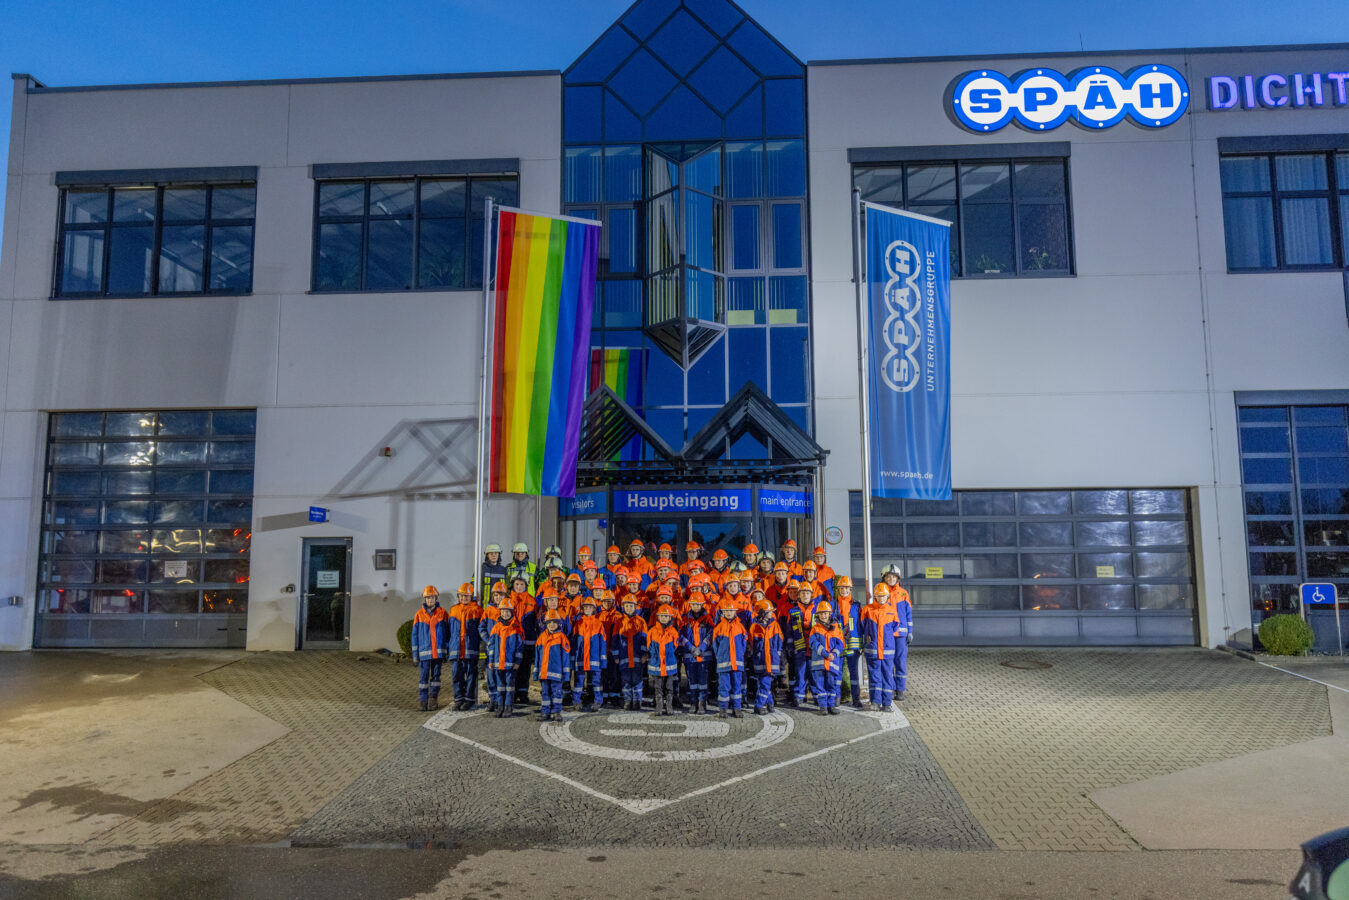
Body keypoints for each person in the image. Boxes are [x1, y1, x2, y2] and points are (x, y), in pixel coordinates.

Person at [410, 585, 450, 711]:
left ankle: (433, 698)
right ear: (425, 599)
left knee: (436, 677)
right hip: (424, 653)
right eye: (428, 598)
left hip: (438, 652)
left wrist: (447, 650)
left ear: (436, 598)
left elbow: (448, 633)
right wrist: (415, 654)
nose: (430, 600)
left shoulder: (443, 613)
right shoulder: (419, 614)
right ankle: (423, 700)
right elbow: (414, 636)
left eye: (432, 597)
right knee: (424, 677)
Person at [862, 582, 900, 711]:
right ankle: (875, 702)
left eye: (883, 595)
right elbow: (862, 625)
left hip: (887, 651)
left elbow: (895, 627)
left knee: (887, 677)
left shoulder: (892, 610)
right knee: (874, 677)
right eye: (879, 595)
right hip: (873, 650)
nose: (881, 598)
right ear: (875, 596)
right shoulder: (867, 609)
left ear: (887, 596)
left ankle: (887, 703)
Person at [484, 600, 524, 718]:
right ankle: (500, 707)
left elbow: (519, 647)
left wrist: (517, 662)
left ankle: (508, 707)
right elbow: (491, 646)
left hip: (510, 664)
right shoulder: (496, 627)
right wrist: (491, 660)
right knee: (500, 687)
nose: (505, 614)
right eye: (503, 611)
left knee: (509, 687)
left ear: (512, 612)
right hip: (497, 664)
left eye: (507, 612)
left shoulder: (516, 628)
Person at [447, 582, 483, 711]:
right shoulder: (453, 610)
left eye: (466, 596)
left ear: (471, 596)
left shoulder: (477, 610)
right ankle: (458, 699)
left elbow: (481, 630)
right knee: (456, 675)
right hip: (456, 649)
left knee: (471, 676)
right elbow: (449, 630)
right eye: (461, 595)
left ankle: (469, 699)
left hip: (470, 649)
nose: (463, 598)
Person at [534, 611, 572, 722]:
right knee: (545, 693)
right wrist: (536, 673)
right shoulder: (541, 637)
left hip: (557, 673)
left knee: (557, 693)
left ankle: (556, 712)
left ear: (559, 624)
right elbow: (537, 656)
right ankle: (545, 712)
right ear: (546, 624)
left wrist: (566, 675)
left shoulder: (562, 638)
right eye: (549, 622)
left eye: (554, 622)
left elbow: (565, 658)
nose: (551, 625)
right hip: (544, 673)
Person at [612, 596, 649, 710]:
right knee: (626, 680)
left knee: (637, 680)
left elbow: (644, 640)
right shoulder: (619, 622)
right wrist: (616, 655)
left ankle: (637, 701)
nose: (629, 608)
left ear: (635, 607)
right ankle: (628, 700)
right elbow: (615, 640)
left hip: (637, 658)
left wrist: (644, 654)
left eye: (631, 606)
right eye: (627, 606)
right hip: (624, 657)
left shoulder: (641, 621)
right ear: (623, 607)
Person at [712, 602, 748, 718]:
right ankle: (723, 709)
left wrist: (740, 655)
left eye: (731, 610)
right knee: (724, 687)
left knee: (737, 686)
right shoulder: (719, 627)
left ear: (735, 612)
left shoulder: (740, 627)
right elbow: (715, 645)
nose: (729, 613)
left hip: (737, 664)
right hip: (724, 663)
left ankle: (736, 708)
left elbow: (744, 644)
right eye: (726, 610)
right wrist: (720, 657)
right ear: (722, 612)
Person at [681, 593, 714, 715]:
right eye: (693, 604)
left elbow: (711, 634)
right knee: (692, 681)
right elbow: (681, 636)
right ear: (690, 605)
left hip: (704, 657)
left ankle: (702, 702)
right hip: (690, 657)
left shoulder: (708, 619)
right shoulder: (685, 620)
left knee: (703, 681)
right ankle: (693, 702)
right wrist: (690, 648)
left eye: (698, 604)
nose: (696, 606)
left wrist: (702, 648)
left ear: (702, 604)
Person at [573, 594, 607, 712]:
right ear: (582, 608)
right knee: (578, 680)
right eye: (585, 607)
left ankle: (598, 700)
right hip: (581, 658)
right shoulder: (578, 623)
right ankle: (576, 701)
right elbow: (574, 642)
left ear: (594, 609)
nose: (587, 609)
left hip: (594, 658)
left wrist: (603, 660)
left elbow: (603, 643)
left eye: (590, 607)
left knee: (597, 681)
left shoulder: (598, 624)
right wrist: (573, 659)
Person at [749, 599, 783, 716]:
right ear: (762, 613)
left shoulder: (775, 625)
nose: (771, 613)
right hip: (760, 660)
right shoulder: (754, 627)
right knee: (763, 683)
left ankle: (759, 706)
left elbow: (779, 642)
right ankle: (770, 704)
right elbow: (751, 644)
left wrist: (777, 655)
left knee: (765, 683)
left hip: (771, 660)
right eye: (769, 612)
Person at [508, 574, 538, 707]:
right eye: (517, 584)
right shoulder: (508, 600)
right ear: (513, 585)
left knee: (525, 668)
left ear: (526, 585)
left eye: (521, 584)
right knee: (513, 667)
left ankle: (523, 693)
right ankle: (513, 693)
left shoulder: (532, 601)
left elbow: (536, 621)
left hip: (527, 640)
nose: (519, 587)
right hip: (512, 641)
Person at [809, 605, 845, 715]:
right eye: (821, 613)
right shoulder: (815, 629)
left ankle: (831, 705)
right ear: (818, 615)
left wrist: (834, 653)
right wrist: (825, 653)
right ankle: (823, 707)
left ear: (830, 614)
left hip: (832, 662)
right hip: (819, 662)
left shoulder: (836, 628)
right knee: (820, 685)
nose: (823, 616)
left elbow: (841, 643)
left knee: (831, 685)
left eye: (825, 613)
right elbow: (813, 643)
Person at [834, 575, 864, 709]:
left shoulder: (857, 605)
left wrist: (864, 642)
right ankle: (836, 698)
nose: (844, 590)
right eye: (841, 588)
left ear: (850, 589)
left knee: (854, 673)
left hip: (853, 645)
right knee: (837, 672)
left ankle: (856, 699)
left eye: (846, 588)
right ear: (838, 589)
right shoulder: (833, 605)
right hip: (838, 643)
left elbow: (861, 624)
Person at [647, 604, 681, 716]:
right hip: (657, 664)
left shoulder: (673, 631)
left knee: (669, 686)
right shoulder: (652, 631)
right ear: (658, 617)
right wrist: (654, 654)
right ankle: (659, 706)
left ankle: (669, 706)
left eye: (666, 616)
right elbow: (649, 645)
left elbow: (676, 645)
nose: (664, 618)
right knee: (658, 686)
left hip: (669, 664)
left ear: (670, 617)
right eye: (661, 616)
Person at [786, 581, 816, 707]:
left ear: (811, 595)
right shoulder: (793, 611)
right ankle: (799, 696)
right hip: (799, 648)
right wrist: (790, 647)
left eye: (807, 593)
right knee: (800, 673)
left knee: (814, 673)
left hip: (814, 648)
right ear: (799, 595)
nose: (805, 595)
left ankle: (817, 696)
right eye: (803, 593)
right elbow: (789, 631)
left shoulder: (817, 609)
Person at [890, 571, 914, 700]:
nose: (891, 579)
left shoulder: (903, 593)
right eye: (888, 577)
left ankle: (900, 690)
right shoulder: (881, 591)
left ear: (897, 578)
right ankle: (890, 688)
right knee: (888, 663)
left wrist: (910, 631)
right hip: (887, 634)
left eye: (893, 577)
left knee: (900, 662)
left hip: (901, 634)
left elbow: (908, 614)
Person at [598, 590, 623, 708]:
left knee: (614, 674)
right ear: (601, 602)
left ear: (614, 602)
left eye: (609, 601)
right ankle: (604, 695)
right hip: (602, 651)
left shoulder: (619, 616)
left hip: (614, 651)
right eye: (605, 601)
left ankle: (614, 696)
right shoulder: (598, 616)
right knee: (603, 675)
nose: (607, 604)